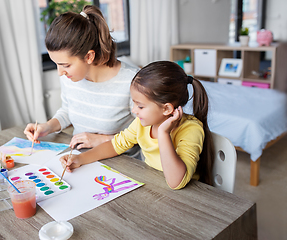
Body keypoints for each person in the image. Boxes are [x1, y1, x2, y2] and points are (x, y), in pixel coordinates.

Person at [60, 61, 214, 189]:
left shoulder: (191, 129)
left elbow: (176, 182)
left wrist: (163, 134)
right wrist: (81, 159)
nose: (134, 111)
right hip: (155, 185)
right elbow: (114, 145)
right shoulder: (141, 124)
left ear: (167, 109)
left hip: (188, 196)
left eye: (140, 106)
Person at [24, 5, 139, 152]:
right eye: (57, 65)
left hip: (123, 165)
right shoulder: (70, 78)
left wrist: (104, 139)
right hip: (80, 158)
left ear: (89, 56)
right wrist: (47, 127)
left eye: (65, 65)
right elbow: (68, 110)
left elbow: (147, 132)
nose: (60, 72)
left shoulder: (131, 81)